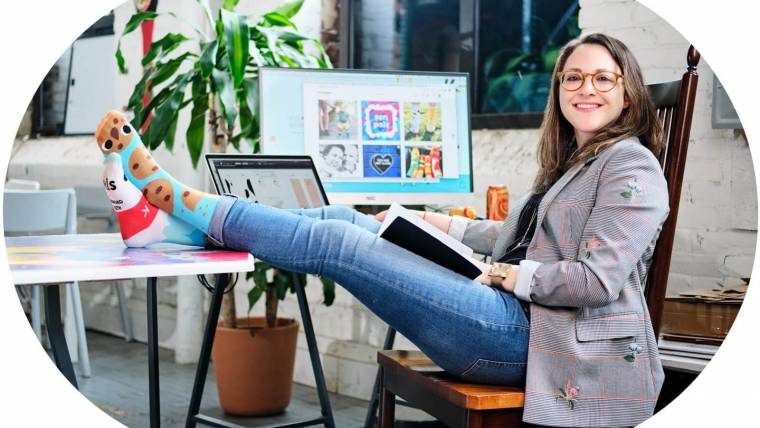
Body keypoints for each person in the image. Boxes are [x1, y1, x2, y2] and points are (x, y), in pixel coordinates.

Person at [94, 33, 667, 427]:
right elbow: (519, 239)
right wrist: (431, 223)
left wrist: (499, 274)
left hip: (536, 344)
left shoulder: (630, 164)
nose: (585, 89)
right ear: (559, 88)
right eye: (573, 77)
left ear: (628, 90)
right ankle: (184, 231)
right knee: (350, 221)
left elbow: (594, 279)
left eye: (602, 78)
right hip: (514, 320)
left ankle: (181, 202)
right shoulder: (575, 163)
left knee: (339, 245)